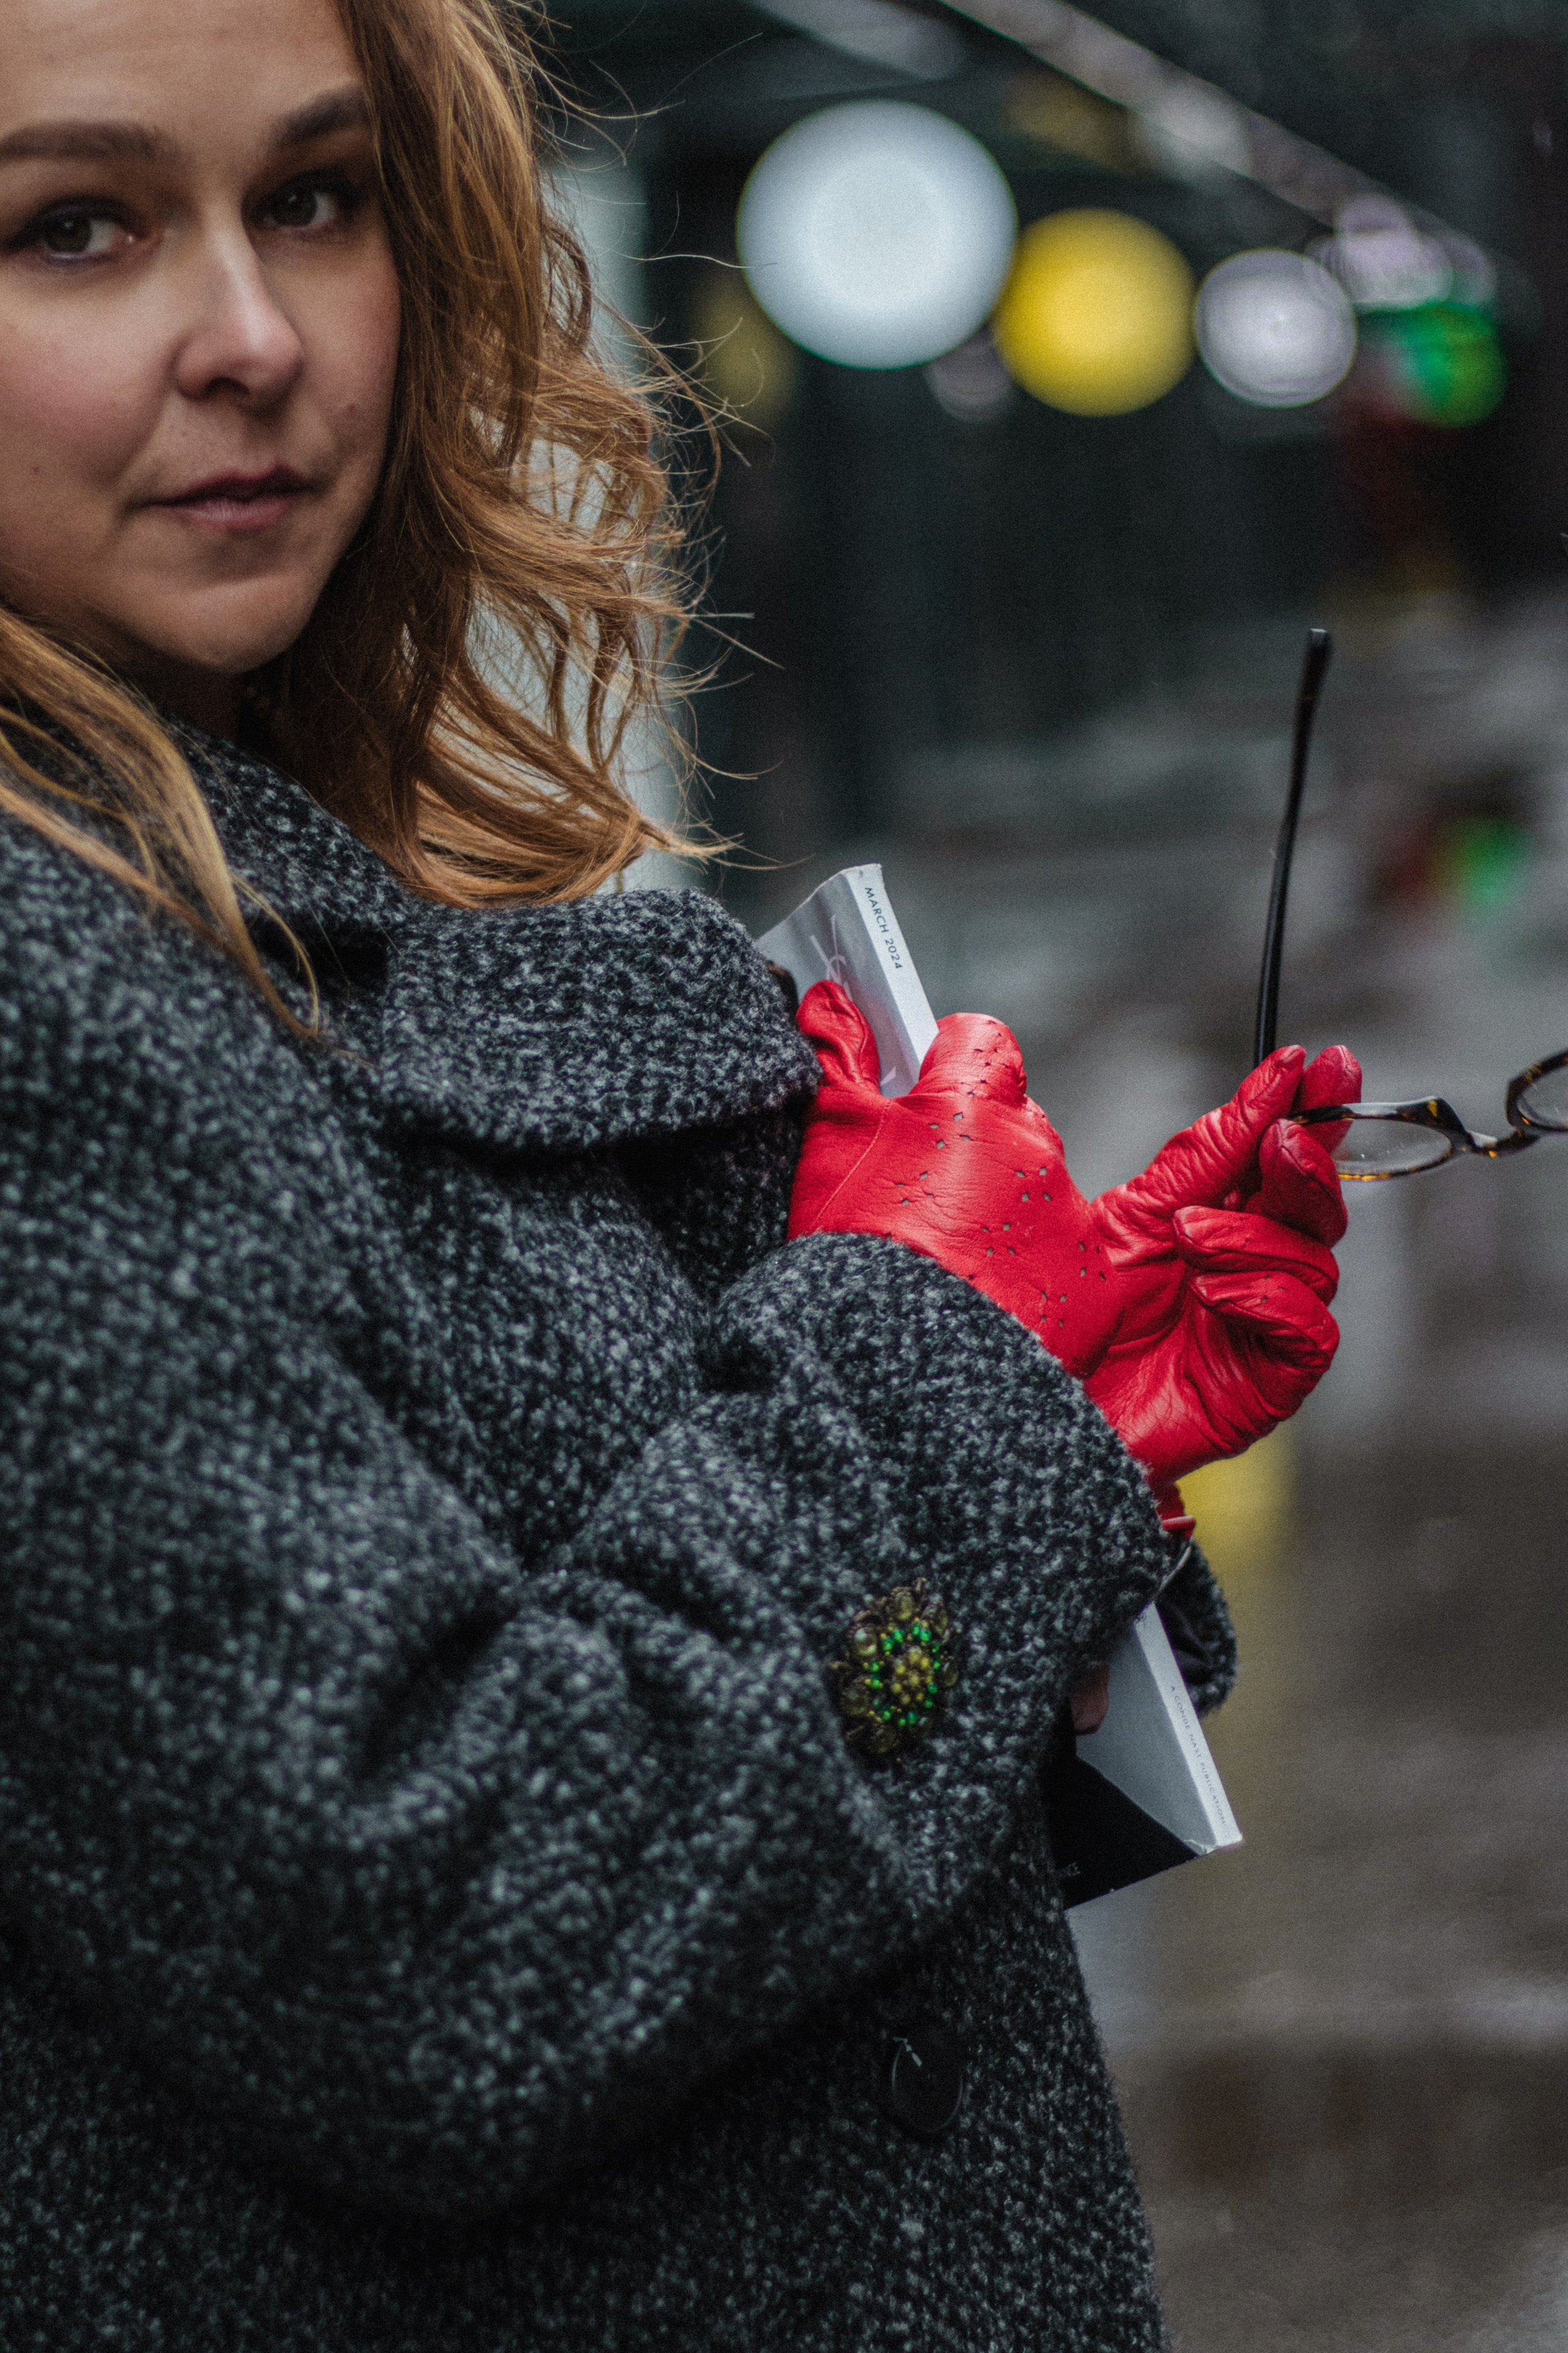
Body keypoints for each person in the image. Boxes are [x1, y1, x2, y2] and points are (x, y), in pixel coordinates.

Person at [0, 1, 1357, 2346]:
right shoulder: (47, 996)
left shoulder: (273, 892)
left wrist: (1035, 1418)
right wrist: (920, 1383)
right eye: (74, 229)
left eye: (313, 198)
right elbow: (434, 1957)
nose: (252, 338)